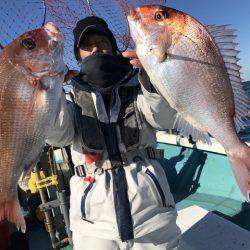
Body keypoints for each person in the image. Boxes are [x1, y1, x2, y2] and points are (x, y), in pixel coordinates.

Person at [47, 16, 181, 250]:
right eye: (87, 46)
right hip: (92, 222)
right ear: (78, 56)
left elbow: (163, 119)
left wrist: (152, 75)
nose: (96, 48)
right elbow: (59, 137)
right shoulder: (68, 96)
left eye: (102, 42)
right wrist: (50, 91)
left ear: (113, 48)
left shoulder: (138, 85)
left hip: (152, 215)